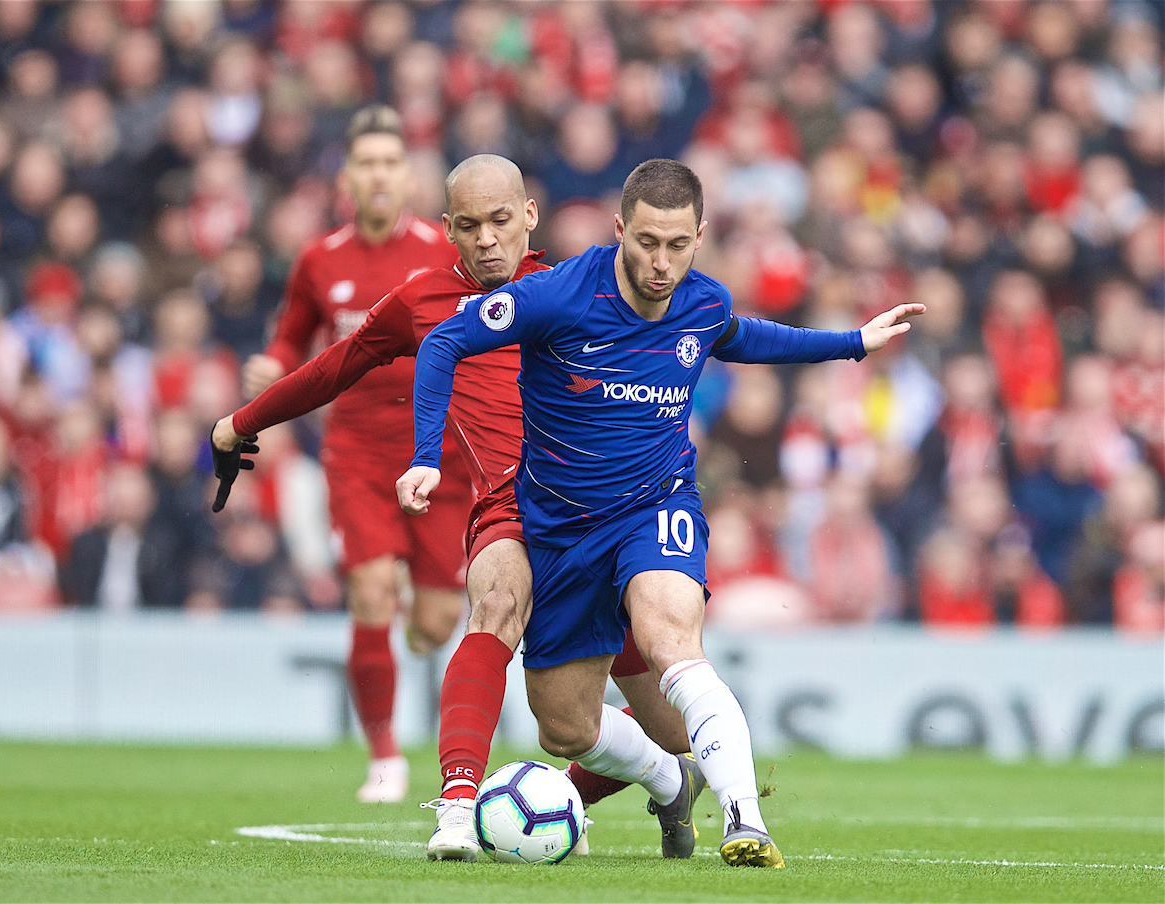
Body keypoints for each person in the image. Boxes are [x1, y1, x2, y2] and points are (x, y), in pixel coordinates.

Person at [398, 158, 923, 867]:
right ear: (620, 230)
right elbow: (444, 341)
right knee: (564, 728)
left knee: (672, 636)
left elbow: (746, 336)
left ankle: (747, 822)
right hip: (560, 530)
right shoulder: (557, 296)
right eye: (647, 242)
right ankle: (667, 777)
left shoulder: (701, 302)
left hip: (655, 508)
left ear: (700, 236)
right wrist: (427, 455)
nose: (661, 262)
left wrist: (853, 344)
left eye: (678, 245)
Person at [210, 154, 690, 861]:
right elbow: (332, 367)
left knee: (666, 730)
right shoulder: (422, 301)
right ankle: (459, 808)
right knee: (494, 602)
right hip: (508, 507)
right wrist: (238, 422)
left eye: (501, 221)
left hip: (605, 516)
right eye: (470, 226)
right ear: (448, 230)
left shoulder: (584, 287)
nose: (488, 239)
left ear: (529, 216)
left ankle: (652, 782)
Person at [236, 105, 473, 804]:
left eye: (391, 162)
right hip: (358, 453)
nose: (379, 174)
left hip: (440, 455)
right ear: (347, 176)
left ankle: (408, 636)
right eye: (366, 162)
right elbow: (292, 338)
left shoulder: (445, 252)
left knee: (432, 624)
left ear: (408, 177)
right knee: (370, 593)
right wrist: (270, 365)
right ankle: (384, 757)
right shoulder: (320, 258)